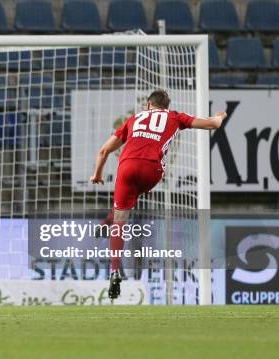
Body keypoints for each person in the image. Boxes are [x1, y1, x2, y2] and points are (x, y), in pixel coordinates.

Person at [89, 90, 227, 299]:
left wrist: (97, 174)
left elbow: (104, 150)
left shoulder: (134, 118)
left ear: (148, 105)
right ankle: (109, 219)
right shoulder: (174, 116)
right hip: (152, 170)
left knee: (120, 218)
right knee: (131, 198)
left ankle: (115, 270)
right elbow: (212, 125)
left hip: (127, 167)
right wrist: (219, 117)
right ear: (166, 105)